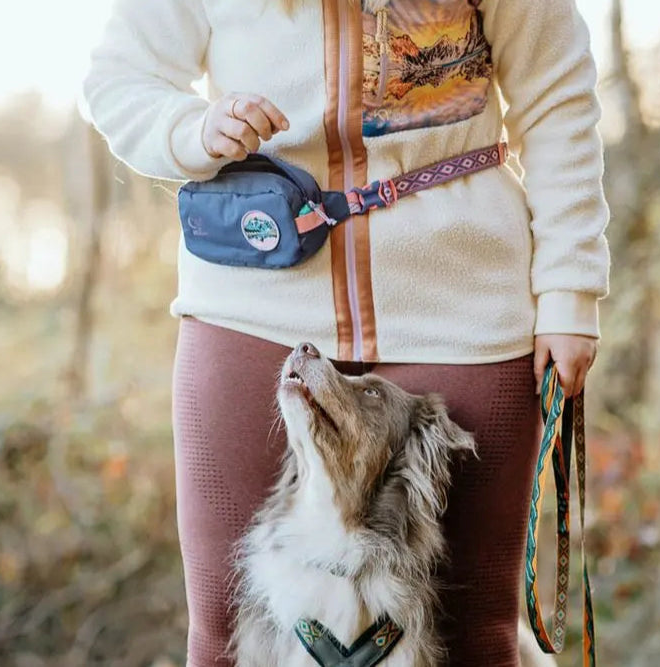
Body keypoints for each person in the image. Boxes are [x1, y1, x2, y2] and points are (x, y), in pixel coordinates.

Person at [83, 0, 610, 664]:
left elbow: (557, 96)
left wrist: (569, 289)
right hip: (250, 309)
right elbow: (117, 79)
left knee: (478, 631)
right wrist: (191, 129)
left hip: (465, 315)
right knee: (224, 635)